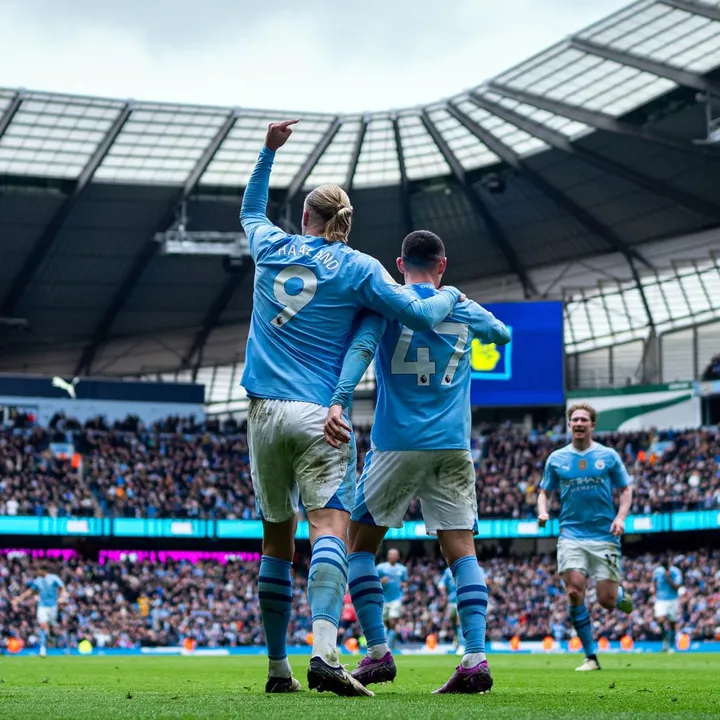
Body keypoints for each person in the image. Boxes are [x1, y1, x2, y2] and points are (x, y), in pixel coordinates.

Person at [241, 122, 465, 696]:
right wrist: (449, 298)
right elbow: (415, 315)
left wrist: (268, 151)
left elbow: (250, 208)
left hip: (262, 411)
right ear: (345, 223)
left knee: (275, 538)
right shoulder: (362, 267)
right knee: (330, 527)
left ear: (305, 219)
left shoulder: (270, 245)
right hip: (320, 414)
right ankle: (323, 654)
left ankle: (276, 671)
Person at [323, 229, 510, 694]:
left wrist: (340, 400)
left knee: (358, 547)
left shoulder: (388, 303)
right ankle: (475, 657)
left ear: (400, 264)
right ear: (442, 264)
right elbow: (502, 334)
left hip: (395, 445)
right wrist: (455, 299)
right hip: (451, 446)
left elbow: (362, 351)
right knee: (461, 553)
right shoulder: (459, 304)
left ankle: (378, 653)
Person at [537, 403, 634, 672]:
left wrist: (620, 518)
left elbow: (625, 489)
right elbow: (544, 491)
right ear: (569, 425)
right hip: (571, 534)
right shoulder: (556, 459)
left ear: (592, 425)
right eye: (574, 419)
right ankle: (591, 656)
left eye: (584, 420)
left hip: (604, 535)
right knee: (574, 589)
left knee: (606, 601)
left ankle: (620, 595)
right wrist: (543, 512)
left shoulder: (608, 456)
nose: (578, 423)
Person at [12, 564, 66, 657]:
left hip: (53, 606)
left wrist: (62, 597)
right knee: (43, 625)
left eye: (39, 570)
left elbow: (62, 588)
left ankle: (51, 636)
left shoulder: (53, 578)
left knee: (51, 627)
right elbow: (30, 591)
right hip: (42, 606)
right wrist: (19, 599)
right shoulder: (37, 581)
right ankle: (43, 648)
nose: (37, 572)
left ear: (44, 570)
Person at [375, 548, 408, 650]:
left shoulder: (402, 569)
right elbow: (374, 581)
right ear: (388, 556)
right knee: (386, 623)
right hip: (383, 598)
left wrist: (404, 585)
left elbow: (405, 582)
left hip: (396, 599)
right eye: (391, 554)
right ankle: (388, 643)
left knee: (393, 621)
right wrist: (381, 581)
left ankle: (390, 646)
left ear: (398, 557)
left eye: (395, 555)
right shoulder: (380, 568)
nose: (393, 557)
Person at [653, 557, 683, 652]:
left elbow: (677, 586)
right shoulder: (657, 571)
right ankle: (665, 640)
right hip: (661, 599)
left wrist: (668, 577)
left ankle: (671, 645)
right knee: (660, 620)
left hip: (672, 599)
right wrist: (654, 590)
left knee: (672, 623)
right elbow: (654, 581)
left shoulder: (675, 572)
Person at [438, 563, 464, 654]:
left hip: (463, 600)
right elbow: (441, 584)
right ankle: (457, 642)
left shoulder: (467, 567)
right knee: (453, 622)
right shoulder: (448, 571)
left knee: (459, 622)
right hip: (451, 601)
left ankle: (462, 645)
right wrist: (444, 594)